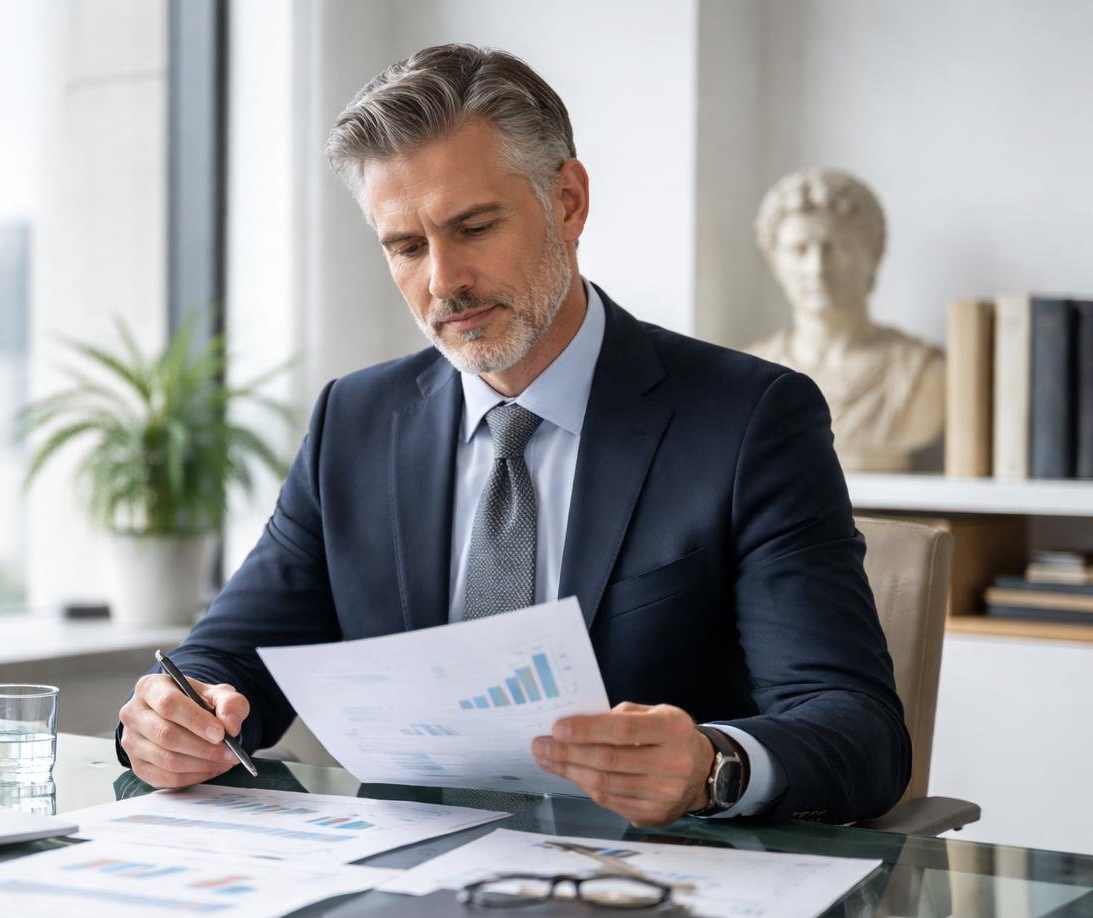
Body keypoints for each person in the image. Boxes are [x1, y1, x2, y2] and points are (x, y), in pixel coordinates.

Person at [116, 43, 910, 826]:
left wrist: (714, 765)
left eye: (474, 227)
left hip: (655, 899)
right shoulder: (353, 424)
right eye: (405, 246)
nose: (442, 281)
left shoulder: (749, 419)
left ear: (567, 201)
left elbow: (856, 727)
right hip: (407, 903)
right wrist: (172, 722)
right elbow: (224, 663)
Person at [745, 168, 945, 472]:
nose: (817, 268)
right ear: (775, 262)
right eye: (799, 250)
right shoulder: (750, 373)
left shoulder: (924, 373)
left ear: (873, 255)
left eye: (837, 247)